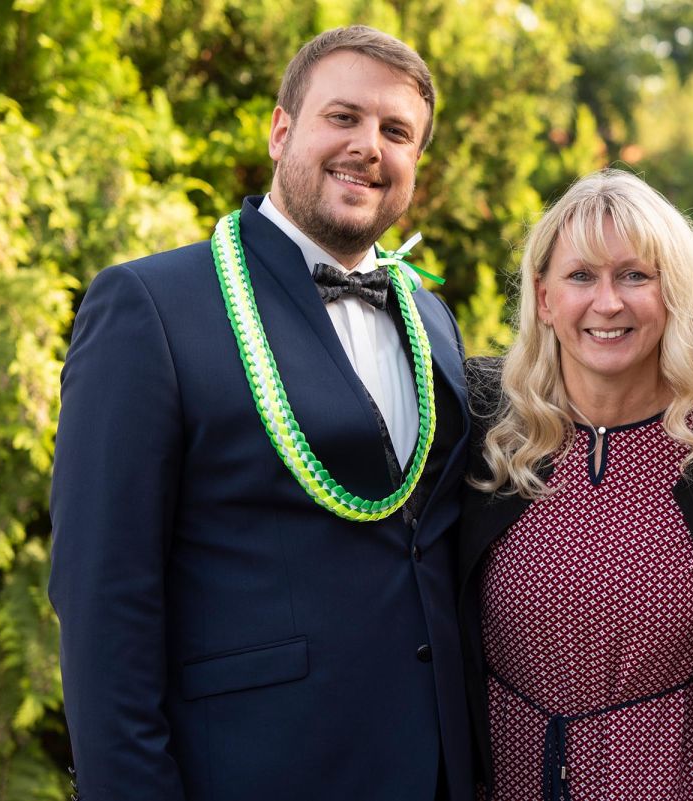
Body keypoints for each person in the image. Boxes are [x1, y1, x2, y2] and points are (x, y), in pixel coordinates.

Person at [49, 26, 472, 801]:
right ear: (282, 131)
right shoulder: (152, 305)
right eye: (342, 118)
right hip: (254, 770)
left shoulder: (430, 316)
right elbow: (102, 597)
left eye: (396, 132)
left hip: (433, 767)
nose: (368, 146)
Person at [457, 169, 693, 801]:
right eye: (581, 276)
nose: (607, 303)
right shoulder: (480, 414)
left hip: (682, 777)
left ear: (673, 293)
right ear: (544, 297)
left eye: (635, 275)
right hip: (506, 775)